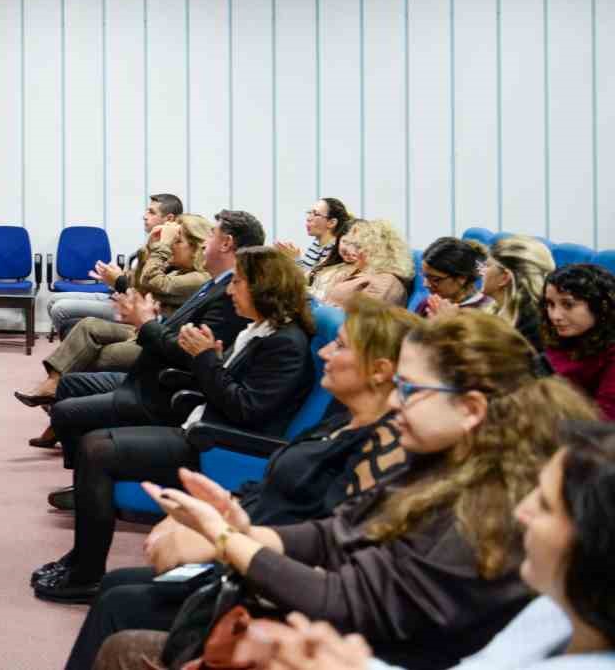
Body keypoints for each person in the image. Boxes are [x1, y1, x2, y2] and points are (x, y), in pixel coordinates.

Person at [136, 314, 599, 670]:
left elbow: (345, 598)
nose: (396, 401)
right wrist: (242, 528)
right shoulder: (441, 463)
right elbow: (336, 534)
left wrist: (225, 540)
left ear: (471, 408)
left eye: (411, 389)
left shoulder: (487, 513)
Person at [62, 296, 419, 668]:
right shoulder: (340, 417)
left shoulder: (376, 452)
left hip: (264, 575)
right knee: (115, 587)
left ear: (379, 370)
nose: (326, 351)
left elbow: (318, 538)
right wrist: (201, 515)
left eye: (341, 345)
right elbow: (271, 488)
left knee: (119, 604)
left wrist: (217, 537)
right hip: (247, 545)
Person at [33, 246, 317, 605]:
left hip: (221, 446)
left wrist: (205, 359)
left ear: (265, 288)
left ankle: (86, 575)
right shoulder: (261, 330)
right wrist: (208, 360)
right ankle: (79, 563)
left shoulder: (285, 343)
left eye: (240, 283)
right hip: (204, 425)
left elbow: (246, 409)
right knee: (93, 443)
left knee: (96, 449)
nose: (231, 290)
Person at [229, 421, 615, 670]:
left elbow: (355, 598)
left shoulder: (472, 528)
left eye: (545, 505)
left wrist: (225, 539)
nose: (523, 512)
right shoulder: (551, 612)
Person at [45, 210, 266, 470]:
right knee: (69, 384)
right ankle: (87, 471)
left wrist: (147, 323)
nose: (206, 242)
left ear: (227, 243)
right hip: (147, 374)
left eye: (212, 235)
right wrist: (151, 320)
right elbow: (162, 311)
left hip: (161, 389)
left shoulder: (228, 293)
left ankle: (92, 471)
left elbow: (188, 353)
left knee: (66, 409)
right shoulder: (214, 284)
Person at [16, 214, 213, 414]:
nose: (171, 246)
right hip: (143, 330)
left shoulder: (199, 277)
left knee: (91, 355)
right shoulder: (177, 271)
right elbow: (140, 285)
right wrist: (150, 246)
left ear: (196, 248)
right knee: (87, 325)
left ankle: (63, 408)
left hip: (157, 340)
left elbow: (152, 282)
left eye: (177, 242)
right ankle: (53, 387)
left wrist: (161, 246)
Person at [46, 194, 184, 339]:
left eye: (151, 212)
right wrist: (114, 277)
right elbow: (135, 278)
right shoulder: (152, 242)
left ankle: (73, 352)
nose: (144, 216)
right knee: (53, 300)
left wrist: (119, 280)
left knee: (59, 309)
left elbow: (149, 287)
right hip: (121, 294)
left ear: (169, 219)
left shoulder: (170, 250)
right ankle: (74, 348)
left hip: (134, 306)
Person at [541, 263, 615, 421]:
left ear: (601, 306)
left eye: (568, 305)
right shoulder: (560, 337)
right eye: (550, 304)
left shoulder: (610, 352)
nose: (555, 316)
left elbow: (604, 422)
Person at [313, 219, 412, 309]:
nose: (353, 252)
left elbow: (364, 323)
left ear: (377, 250)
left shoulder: (387, 283)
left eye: (358, 246)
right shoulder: (367, 273)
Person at [480, 234, 554, 352]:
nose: (481, 272)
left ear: (504, 278)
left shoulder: (532, 325)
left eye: (487, 266)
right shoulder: (495, 308)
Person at [419, 237, 495, 318]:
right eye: (425, 276)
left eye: (435, 279)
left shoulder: (486, 311)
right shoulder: (428, 304)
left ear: (462, 278)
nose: (425, 284)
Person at [277, 198, 353, 279]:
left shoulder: (336, 249)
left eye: (316, 214)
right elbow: (306, 273)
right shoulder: (316, 244)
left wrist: (295, 259)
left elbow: (314, 283)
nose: (308, 218)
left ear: (331, 223)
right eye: (310, 213)